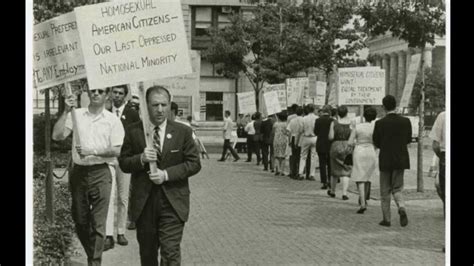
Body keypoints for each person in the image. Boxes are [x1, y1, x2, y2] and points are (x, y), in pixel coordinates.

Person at [119, 86, 201, 265]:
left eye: (164, 104)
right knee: (148, 255)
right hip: (145, 203)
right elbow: (124, 163)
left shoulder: (183, 132)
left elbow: (194, 164)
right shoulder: (134, 131)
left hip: (173, 202)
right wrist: (140, 158)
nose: (160, 109)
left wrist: (166, 174)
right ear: (146, 105)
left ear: (169, 104)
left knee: (170, 254)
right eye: (155, 105)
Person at [52, 87, 124, 266]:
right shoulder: (77, 115)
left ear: (106, 95)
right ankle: (92, 253)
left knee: (99, 223)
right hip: (79, 173)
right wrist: (66, 110)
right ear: (88, 94)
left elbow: (116, 150)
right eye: (93, 91)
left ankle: (94, 262)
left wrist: (92, 151)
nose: (96, 94)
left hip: (101, 173)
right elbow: (57, 135)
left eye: (100, 91)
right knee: (80, 220)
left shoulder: (112, 120)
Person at [104, 84, 140, 250]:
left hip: (125, 159)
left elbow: (136, 135)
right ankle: (109, 234)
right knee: (110, 197)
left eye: (120, 93)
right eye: (115, 92)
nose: (117, 96)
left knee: (123, 197)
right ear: (111, 94)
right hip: (109, 158)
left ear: (125, 96)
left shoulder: (132, 114)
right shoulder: (106, 111)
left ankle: (121, 232)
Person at [373, 95, 412, 227]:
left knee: (385, 191)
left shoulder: (379, 123)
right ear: (395, 105)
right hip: (401, 159)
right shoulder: (406, 121)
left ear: (383, 107)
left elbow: (376, 142)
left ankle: (387, 219)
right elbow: (408, 139)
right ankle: (401, 207)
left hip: (385, 159)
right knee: (397, 188)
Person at [348, 107, 378, 214]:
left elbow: (350, 142)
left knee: (359, 177)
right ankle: (366, 197)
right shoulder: (375, 127)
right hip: (371, 150)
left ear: (364, 116)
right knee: (368, 176)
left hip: (359, 150)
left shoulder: (358, 127)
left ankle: (362, 202)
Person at [328, 105, 353, 200]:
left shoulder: (333, 123)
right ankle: (344, 193)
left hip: (336, 145)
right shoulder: (351, 123)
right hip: (347, 145)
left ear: (338, 113)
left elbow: (331, 137)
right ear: (347, 113)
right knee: (347, 170)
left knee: (334, 170)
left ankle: (332, 191)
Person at [429, 111, 445, 215]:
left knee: (442, 187)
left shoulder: (443, 116)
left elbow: (435, 144)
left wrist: (441, 157)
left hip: (445, 155)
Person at [314, 105, 334, 189]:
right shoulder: (332, 120)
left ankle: (324, 182)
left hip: (321, 143)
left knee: (322, 164)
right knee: (330, 164)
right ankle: (330, 180)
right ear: (329, 111)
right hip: (330, 144)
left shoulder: (318, 120)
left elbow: (315, 132)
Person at [298, 104, 318, 181]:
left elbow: (300, 130)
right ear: (313, 109)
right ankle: (311, 174)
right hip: (314, 137)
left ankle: (300, 173)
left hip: (305, 137)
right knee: (314, 156)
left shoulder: (304, 118)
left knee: (303, 156)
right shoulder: (317, 118)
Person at [287, 106, 304, 179]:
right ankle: (299, 172)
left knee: (294, 155)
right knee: (301, 155)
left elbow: (288, 131)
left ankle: (293, 172)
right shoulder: (304, 120)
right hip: (302, 138)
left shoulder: (292, 120)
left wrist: (290, 140)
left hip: (293, 137)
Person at [272, 111, 289, 176]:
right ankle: (282, 171)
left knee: (276, 155)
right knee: (283, 156)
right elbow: (287, 133)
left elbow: (273, 132)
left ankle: (277, 170)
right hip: (284, 140)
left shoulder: (275, 124)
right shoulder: (286, 124)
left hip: (276, 140)